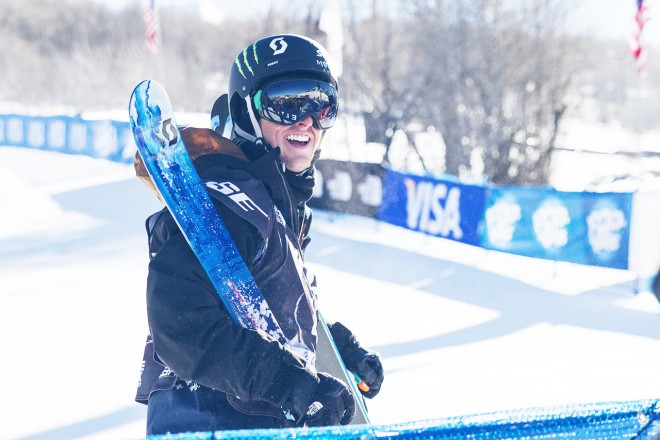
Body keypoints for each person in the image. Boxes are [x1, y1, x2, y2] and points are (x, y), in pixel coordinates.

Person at [133, 34, 384, 435]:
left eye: (322, 105)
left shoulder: (276, 210)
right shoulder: (226, 199)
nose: (307, 120)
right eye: (285, 103)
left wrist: (336, 350)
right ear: (245, 111)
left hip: (251, 419)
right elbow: (178, 325)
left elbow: (269, 313)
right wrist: (290, 384)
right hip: (205, 415)